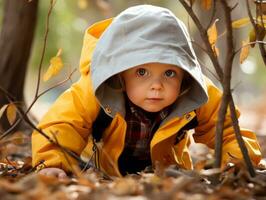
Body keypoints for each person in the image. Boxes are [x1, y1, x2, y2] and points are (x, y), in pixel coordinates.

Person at [32, 5, 262, 178]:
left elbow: (229, 129)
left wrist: (238, 164)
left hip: (168, 176)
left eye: (170, 73)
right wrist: (52, 165)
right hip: (105, 174)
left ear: (185, 75)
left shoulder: (197, 93)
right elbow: (62, 124)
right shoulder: (94, 90)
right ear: (120, 72)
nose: (157, 85)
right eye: (142, 72)